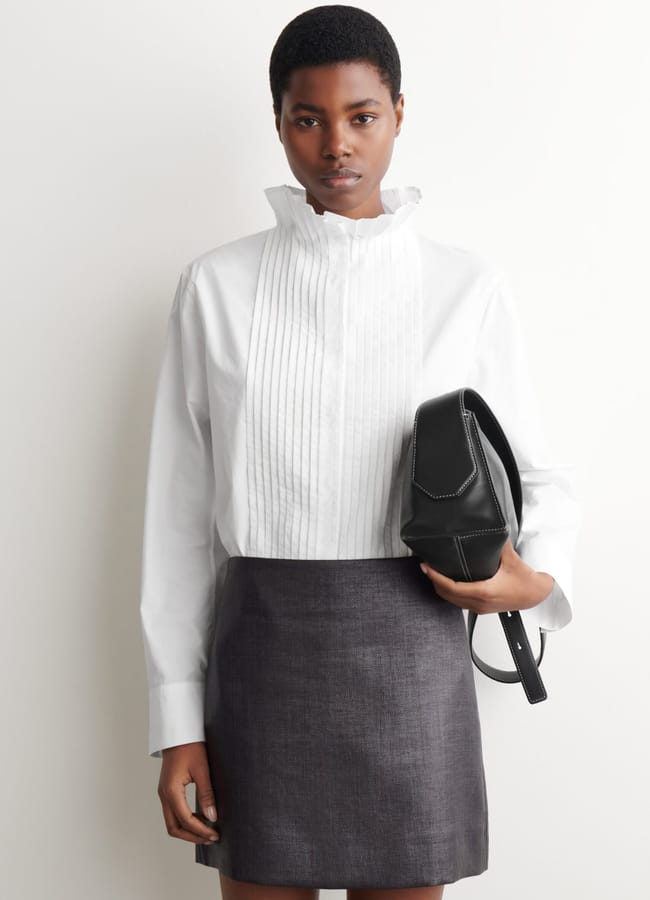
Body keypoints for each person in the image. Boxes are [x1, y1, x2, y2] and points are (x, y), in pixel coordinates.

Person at [139, 5, 580, 899]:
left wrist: (534, 582)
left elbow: (539, 477)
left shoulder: (468, 286)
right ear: (279, 124)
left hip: (412, 653)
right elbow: (178, 519)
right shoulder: (214, 288)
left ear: (399, 115)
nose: (336, 144)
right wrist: (176, 717)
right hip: (260, 658)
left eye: (362, 116)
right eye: (309, 119)